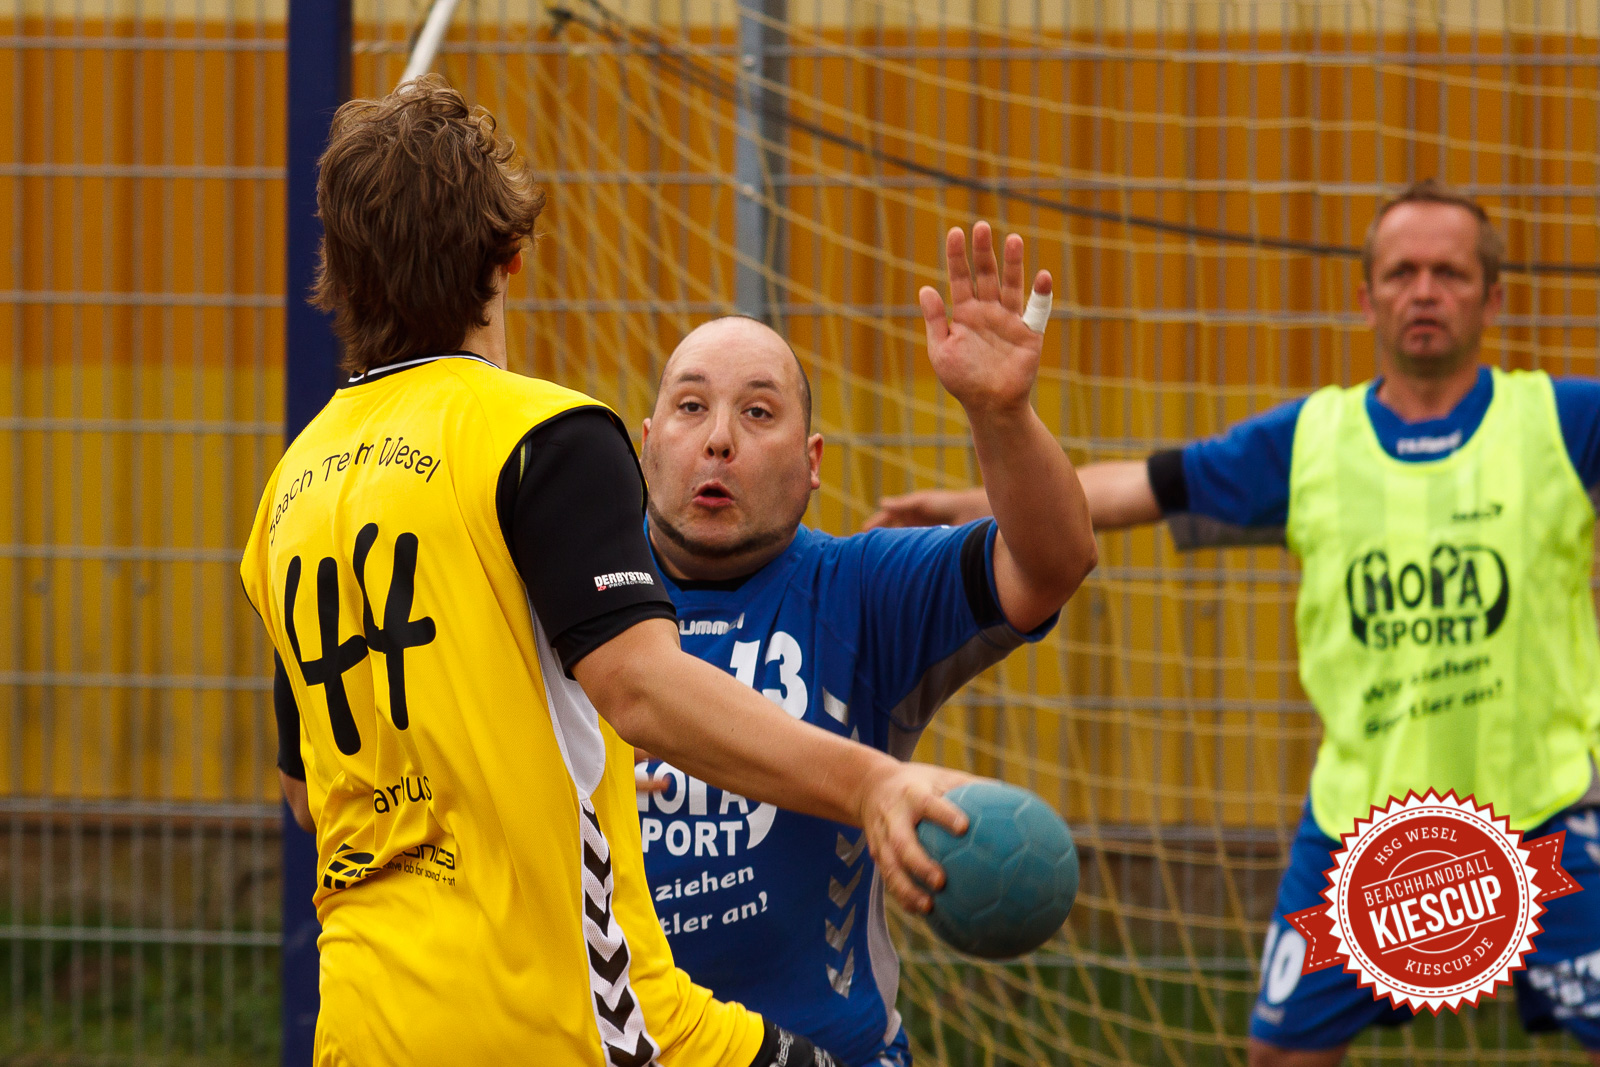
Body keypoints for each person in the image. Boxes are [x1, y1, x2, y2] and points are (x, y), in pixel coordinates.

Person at [243, 76, 976, 1067]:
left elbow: (305, 790)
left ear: (337, 268)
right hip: (569, 1017)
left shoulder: (289, 494)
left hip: (366, 1021)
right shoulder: (539, 433)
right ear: (508, 258)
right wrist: (871, 780)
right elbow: (637, 684)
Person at [866, 181, 1600, 1066]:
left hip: (1547, 814)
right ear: (1365, 297)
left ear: (1492, 294)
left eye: (1450, 271)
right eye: (1402, 271)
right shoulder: (1315, 440)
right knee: (1278, 1055)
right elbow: (1143, 486)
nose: (1426, 289)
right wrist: (963, 505)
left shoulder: (1561, 422)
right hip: (1367, 823)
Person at [632, 222, 1098, 1066]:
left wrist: (1003, 414)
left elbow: (1053, 561)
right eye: (692, 405)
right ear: (647, 442)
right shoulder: (568, 595)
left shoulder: (862, 590)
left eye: (759, 411)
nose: (720, 437)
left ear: (813, 463)